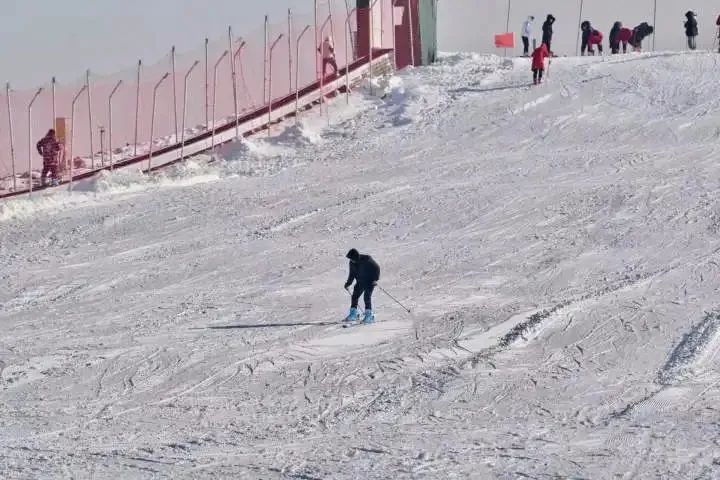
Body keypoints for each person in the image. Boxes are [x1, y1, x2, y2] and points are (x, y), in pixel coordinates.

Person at [343, 248, 380, 324]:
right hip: (360, 282)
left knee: (366, 297)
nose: (351, 260)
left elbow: (377, 268)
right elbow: (352, 274)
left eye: (352, 258)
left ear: (355, 257)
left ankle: (369, 316)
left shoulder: (367, 259)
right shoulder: (352, 263)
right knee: (354, 296)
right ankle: (354, 314)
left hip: (370, 281)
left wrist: (375, 279)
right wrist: (348, 284)